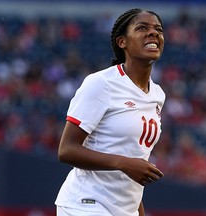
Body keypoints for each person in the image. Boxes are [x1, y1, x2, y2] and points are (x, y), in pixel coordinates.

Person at [55, 8, 165, 216]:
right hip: (86, 203)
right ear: (122, 42)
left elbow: (135, 160)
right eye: (142, 28)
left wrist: (138, 211)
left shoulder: (157, 95)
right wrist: (123, 164)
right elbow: (66, 150)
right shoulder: (101, 83)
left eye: (158, 29)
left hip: (125, 209)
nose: (153, 33)